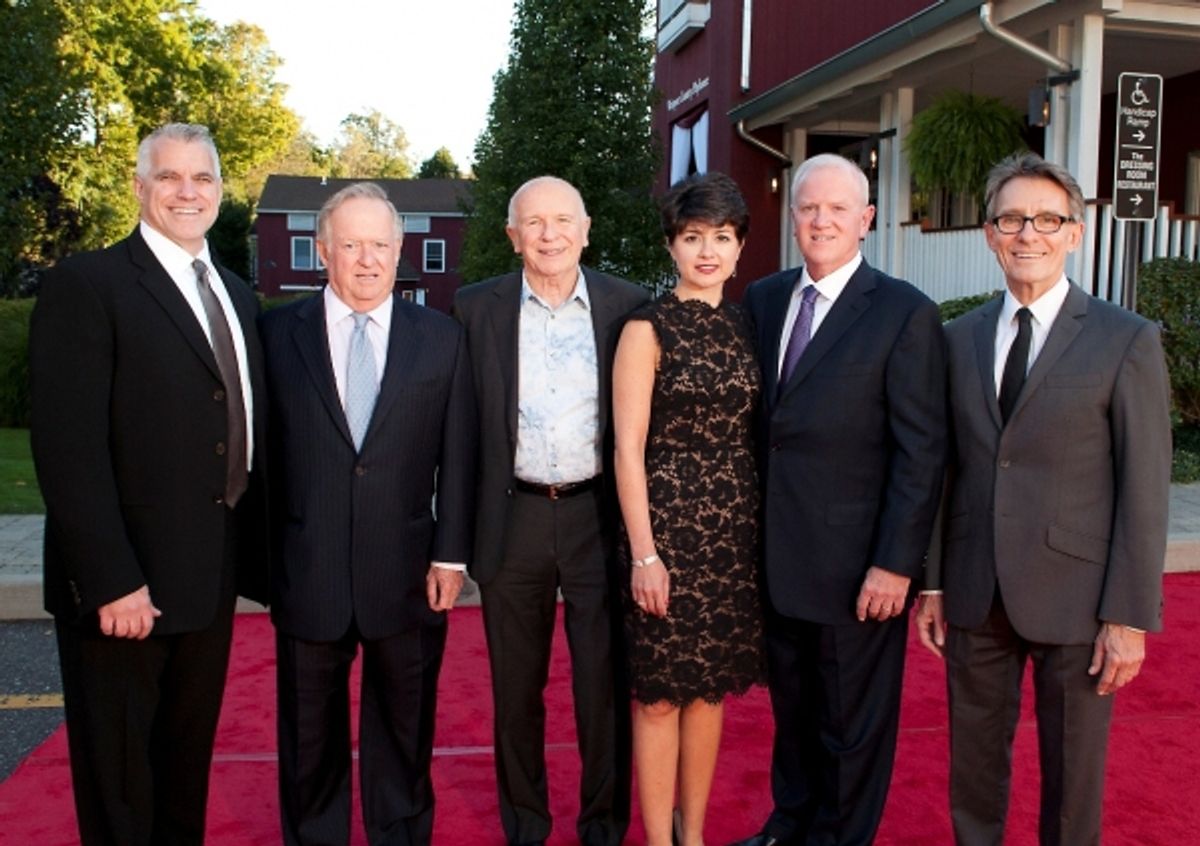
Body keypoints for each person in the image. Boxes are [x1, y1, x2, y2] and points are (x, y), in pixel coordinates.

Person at [914, 153, 1171, 846]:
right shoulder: (956, 338)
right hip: (974, 591)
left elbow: (1144, 487)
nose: (1029, 234)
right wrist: (934, 583)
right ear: (990, 233)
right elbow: (945, 470)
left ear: (1075, 232)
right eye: (1011, 219)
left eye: (1047, 219)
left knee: (1072, 782)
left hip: (1078, 599)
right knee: (972, 772)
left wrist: (1128, 614)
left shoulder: (1126, 339)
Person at [29, 122, 268, 845]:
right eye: (169, 177)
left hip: (209, 576)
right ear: (139, 188)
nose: (187, 192)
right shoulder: (88, 285)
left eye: (202, 178)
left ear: (221, 192)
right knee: (121, 788)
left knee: (181, 774)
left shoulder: (235, 292)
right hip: (125, 589)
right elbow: (67, 448)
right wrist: (110, 580)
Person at [731, 153, 947, 846]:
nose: (820, 220)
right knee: (793, 716)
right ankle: (788, 825)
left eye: (836, 209)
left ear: (866, 220)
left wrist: (896, 564)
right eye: (807, 207)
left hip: (859, 570)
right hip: (777, 560)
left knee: (851, 727)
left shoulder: (904, 312)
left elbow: (922, 452)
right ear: (792, 217)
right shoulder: (764, 300)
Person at [260, 181, 476, 846]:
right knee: (308, 739)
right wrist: (267, 563)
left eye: (379, 244)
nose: (366, 258)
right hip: (309, 570)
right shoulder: (273, 335)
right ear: (323, 251)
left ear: (399, 249)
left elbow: (460, 453)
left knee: (405, 733)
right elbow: (260, 459)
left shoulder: (440, 338)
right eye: (350, 244)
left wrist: (451, 552)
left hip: (407, 573)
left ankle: (400, 835)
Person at [452, 175, 649, 846]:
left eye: (562, 220)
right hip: (514, 519)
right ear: (512, 236)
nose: (549, 234)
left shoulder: (629, 306)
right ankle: (526, 827)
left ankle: (602, 828)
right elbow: (460, 436)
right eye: (533, 222)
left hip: (599, 518)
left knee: (603, 689)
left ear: (585, 229)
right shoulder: (474, 309)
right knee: (516, 693)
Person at [613, 172, 765, 846]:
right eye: (694, 237)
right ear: (672, 246)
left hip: (733, 534)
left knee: (709, 691)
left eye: (723, 237)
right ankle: (657, 841)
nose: (709, 250)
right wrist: (645, 554)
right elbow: (626, 449)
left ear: (739, 249)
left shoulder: (748, 325)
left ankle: (694, 834)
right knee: (658, 697)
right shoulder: (646, 327)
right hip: (666, 533)